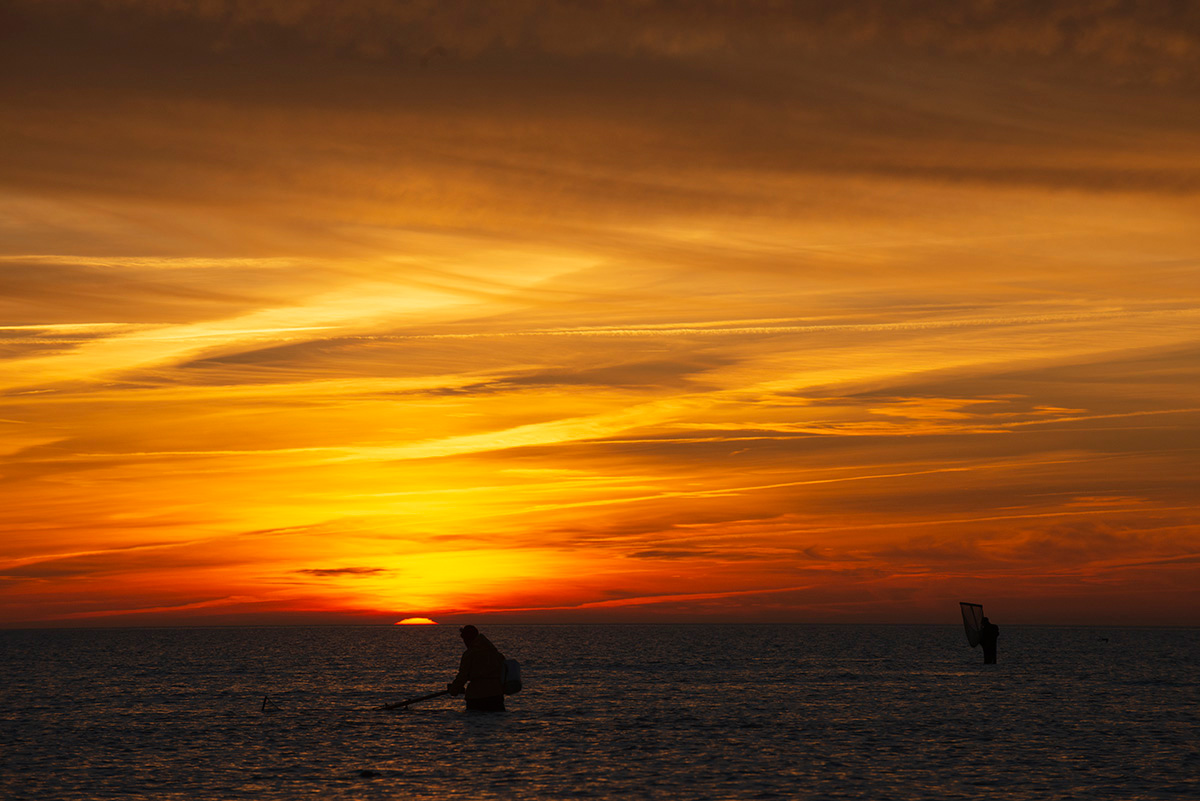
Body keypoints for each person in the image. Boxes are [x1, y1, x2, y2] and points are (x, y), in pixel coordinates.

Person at [447, 625, 506, 711]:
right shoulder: (495, 652)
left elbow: (463, 676)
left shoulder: (470, 654)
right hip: (496, 695)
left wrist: (454, 690)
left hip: (477, 697)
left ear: (467, 639)